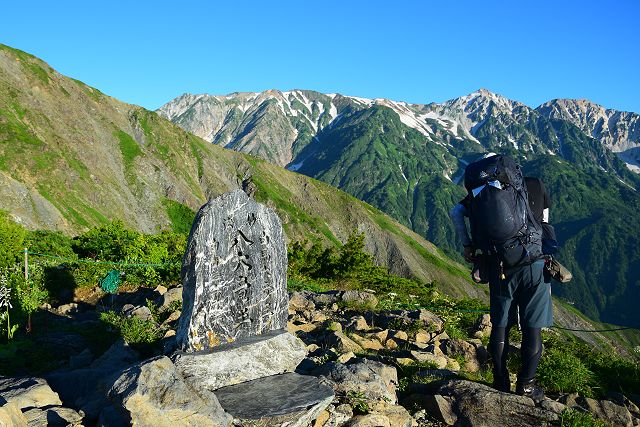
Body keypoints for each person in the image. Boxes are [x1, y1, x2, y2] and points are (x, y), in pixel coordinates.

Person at [450, 157, 552, 403]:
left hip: (499, 266)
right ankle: (526, 386)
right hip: (533, 266)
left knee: (500, 325)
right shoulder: (535, 185)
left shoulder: (478, 193)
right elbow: (546, 224)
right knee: (532, 328)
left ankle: (500, 380)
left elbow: (456, 212)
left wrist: (467, 246)